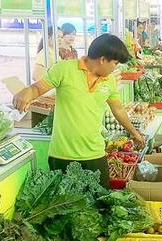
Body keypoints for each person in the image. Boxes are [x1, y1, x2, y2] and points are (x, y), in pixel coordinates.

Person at [13, 34, 145, 187]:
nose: (115, 68)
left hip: (94, 154)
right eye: (115, 63)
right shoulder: (64, 69)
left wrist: (134, 132)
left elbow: (119, 110)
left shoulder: (109, 81)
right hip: (62, 155)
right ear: (103, 59)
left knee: (99, 204)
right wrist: (26, 92)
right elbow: (37, 88)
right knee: (64, 206)